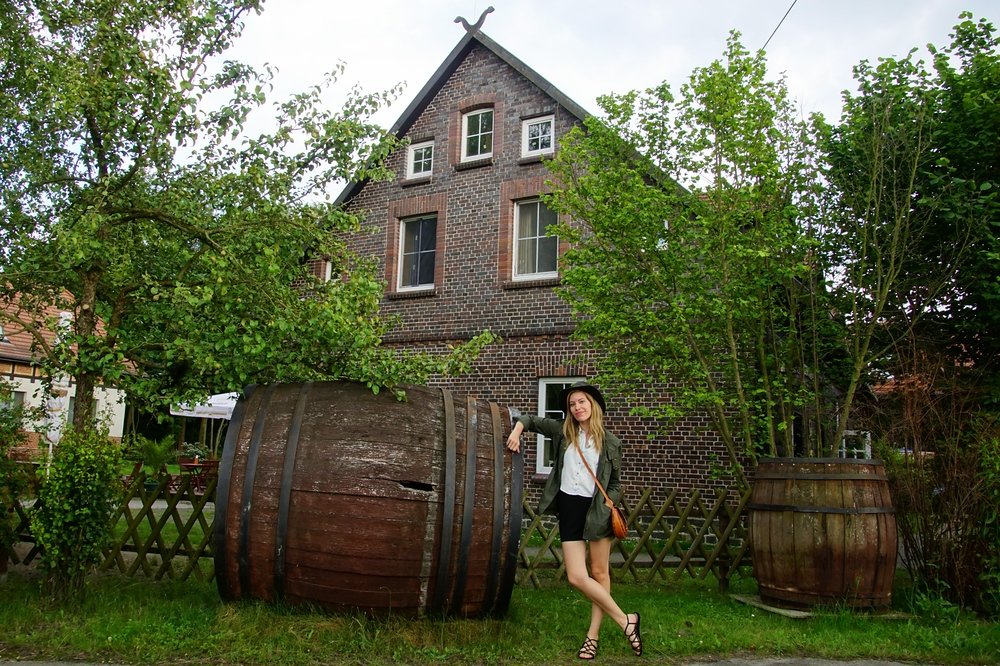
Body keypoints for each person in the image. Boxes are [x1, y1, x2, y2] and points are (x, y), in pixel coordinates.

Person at [506, 381, 642, 660]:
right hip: (569, 508)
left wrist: (608, 502)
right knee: (577, 577)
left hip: (596, 512)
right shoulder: (563, 432)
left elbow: (615, 483)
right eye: (572, 404)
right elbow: (529, 419)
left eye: (582, 402)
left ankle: (592, 637)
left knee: (600, 574)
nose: (577, 407)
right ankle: (626, 620)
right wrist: (517, 432)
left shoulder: (611, 443)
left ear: (593, 404)